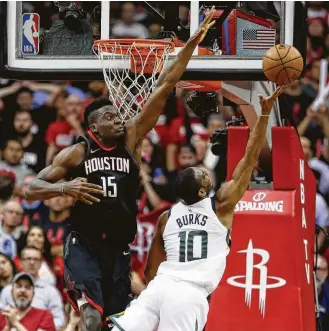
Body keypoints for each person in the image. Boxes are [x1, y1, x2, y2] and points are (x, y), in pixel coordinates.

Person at [25, 9, 217, 331]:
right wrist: (64, 188)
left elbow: (165, 84)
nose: (119, 119)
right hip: (83, 242)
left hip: (117, 246)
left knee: (115, 322)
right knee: (90, 317)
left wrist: (190, 44)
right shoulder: (77, 152)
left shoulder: (132, 138)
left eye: (118, 115)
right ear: (94, 127)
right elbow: (32, 188)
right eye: (111, 117)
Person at [110, 86, 284, 331]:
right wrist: (263, 114)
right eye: (202, 174)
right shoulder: (220, 206)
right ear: (202, 191)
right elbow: (249, 157)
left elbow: (151, 269)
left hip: (159, 287)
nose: (204, 170)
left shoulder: (166, 217)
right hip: (188, 294)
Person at [0, 247, 65, 329]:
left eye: (36, 259)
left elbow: (59, 319)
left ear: (41, 262)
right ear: (21, 262)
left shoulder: (51, 291)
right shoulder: (7, 290)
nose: (32, 262)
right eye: (28, 258)